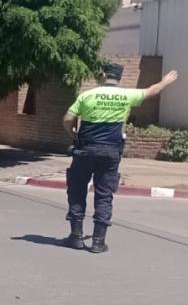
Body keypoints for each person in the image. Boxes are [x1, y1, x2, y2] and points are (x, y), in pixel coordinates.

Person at [61, 64, 178, 253]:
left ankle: (75, 237)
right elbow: (151, 91)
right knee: (104, 195)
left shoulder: (87, 95)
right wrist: (164, 81)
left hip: (85, 151)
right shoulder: (126, 95)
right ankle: (98, 242)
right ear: (119, 78)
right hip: (111, 152)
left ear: (103, 76)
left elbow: (67, 119)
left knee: (77, 190)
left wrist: (73, 135)